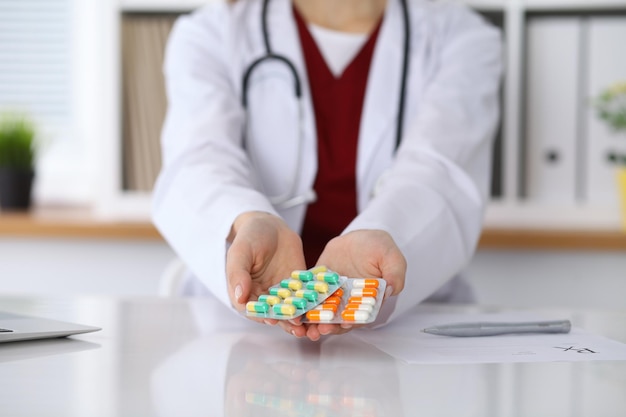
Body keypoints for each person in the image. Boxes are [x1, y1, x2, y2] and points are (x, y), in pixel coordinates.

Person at [152, 0, 502, 341]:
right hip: (240, 332)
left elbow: (439, 170)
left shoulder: (462, 38)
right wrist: (245, 219)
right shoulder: (212, 33)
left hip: (409, 331)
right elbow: (198, 160)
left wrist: (382, 232)